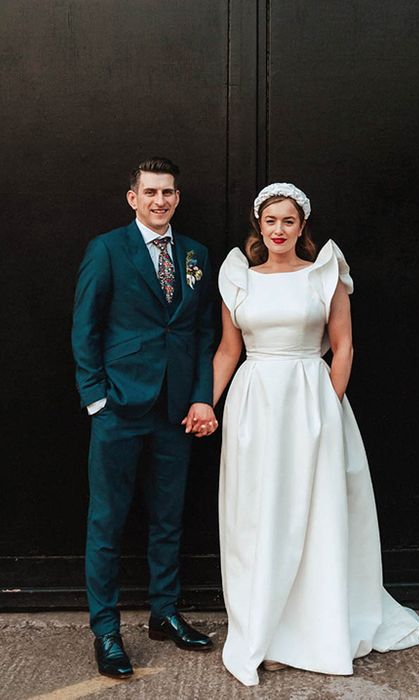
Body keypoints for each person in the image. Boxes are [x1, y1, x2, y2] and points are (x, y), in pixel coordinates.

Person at [213, 183, 419, 685]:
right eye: (270, 222)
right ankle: (265, 628)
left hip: (312, 397)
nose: (279, 230)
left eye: (288, 221)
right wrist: (208, 401)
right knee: (258, 514)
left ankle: (310, 630)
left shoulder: (324, 274)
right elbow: (227, 349)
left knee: (315, 513)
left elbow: (343, 346)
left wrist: (329, 402)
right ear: (258, 227)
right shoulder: (239, 277)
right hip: (256, 403)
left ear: (301, 226)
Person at [71, 157, 217, 679]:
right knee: (107, 520)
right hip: (120, 407)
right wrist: (96, 399)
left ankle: (164, 613)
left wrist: (202, 396)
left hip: (175, 410)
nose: (161, 201)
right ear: (132, 197)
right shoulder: (108, 249)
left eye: (169, 193)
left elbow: (201, 334)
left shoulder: (196, 253)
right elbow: (86, 327)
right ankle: (106, 630)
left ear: (178, 198)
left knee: (168, 517)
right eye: (151, 192)